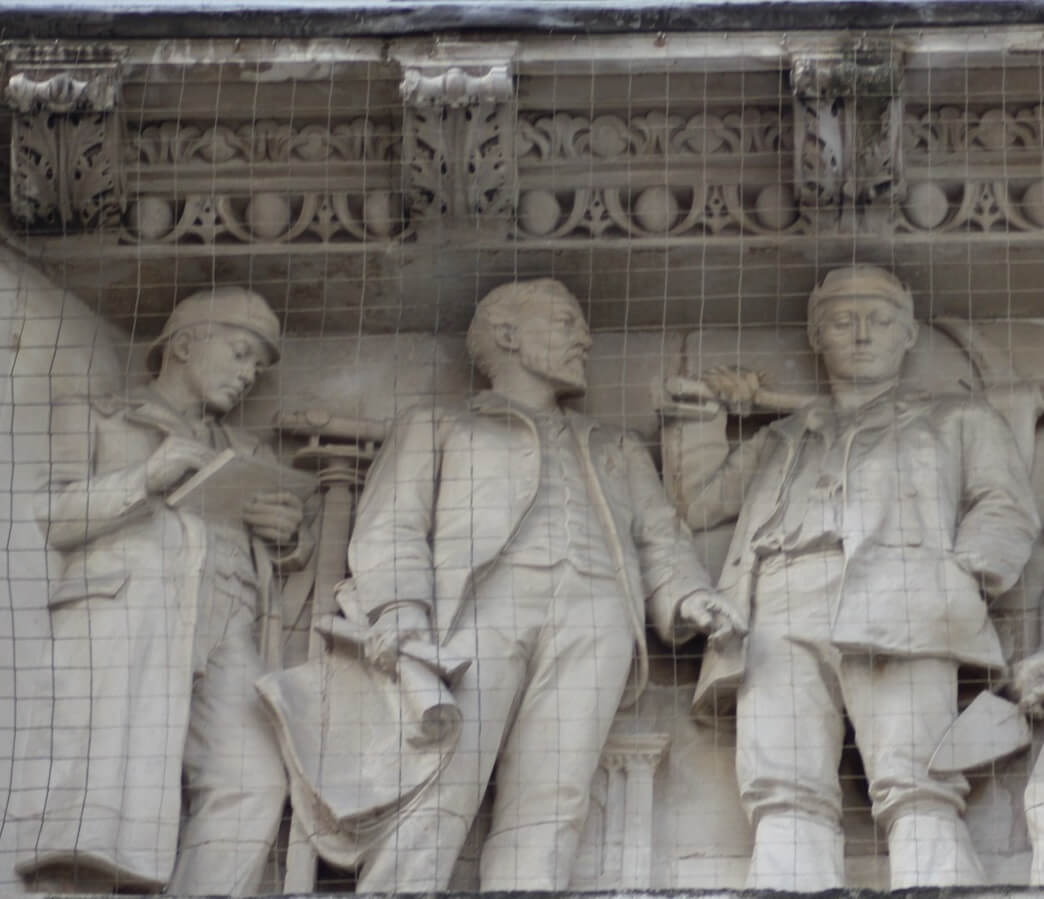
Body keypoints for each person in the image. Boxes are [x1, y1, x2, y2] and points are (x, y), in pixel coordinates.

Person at [345, 277, 740, 891]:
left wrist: (691, 597)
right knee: (443, 775)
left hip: (597, 614)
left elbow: (661, 538)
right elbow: (390, 524)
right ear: (507, 335)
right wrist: (401, 611)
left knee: (556, 795)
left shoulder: (612, 446)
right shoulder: (439, 424)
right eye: (564, 322)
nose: (584, 338)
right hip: (480, 611)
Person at [663, 265, 1040, 890]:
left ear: (909, 335)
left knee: (919, 776)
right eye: (842, 322)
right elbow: (699, 502)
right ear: (817, 337)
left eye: (880, 320)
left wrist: (961, 579)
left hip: (906, 600)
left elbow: (1004, 506)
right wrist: (699, 417)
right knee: (781, 783)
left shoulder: (956, 418)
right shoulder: (785, 435)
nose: (862, 334)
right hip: (780, 603)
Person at [16, 287, 312, 895]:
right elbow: (48, 517)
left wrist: (284, 537)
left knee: (254, 779)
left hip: (229, 623)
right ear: (182, 345)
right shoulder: (98, 415)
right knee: (110, 801)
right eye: (238, 353)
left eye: (256, 366)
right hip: (132, 619)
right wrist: (145, 478)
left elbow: (278, 548)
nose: (248, 375)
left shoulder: (243, 449)